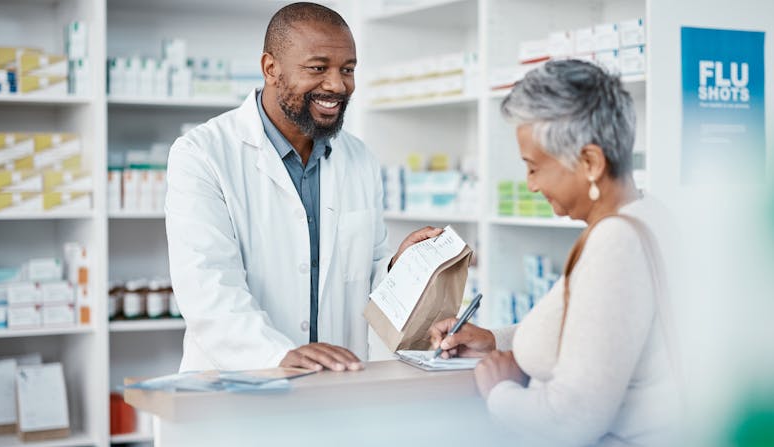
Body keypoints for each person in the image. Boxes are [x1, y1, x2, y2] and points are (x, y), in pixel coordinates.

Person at [165, 2, 440, 373]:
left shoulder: (359, 159)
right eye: (318, 68)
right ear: (270, 68)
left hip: (335, 385)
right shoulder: (202, 154)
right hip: (240, 389)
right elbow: (207, 288)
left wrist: (397, 268)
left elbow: (365, 279)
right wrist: (275, 355)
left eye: (348, 70)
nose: (337, 85)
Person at [429, 60, 680, 446]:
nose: (530, 185)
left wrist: (499, 392)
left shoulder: (616, 243)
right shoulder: (649, 215)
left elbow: (570, 419)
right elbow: (591, 336)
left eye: (534, 168)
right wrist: (493, 341)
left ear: (591, 162)